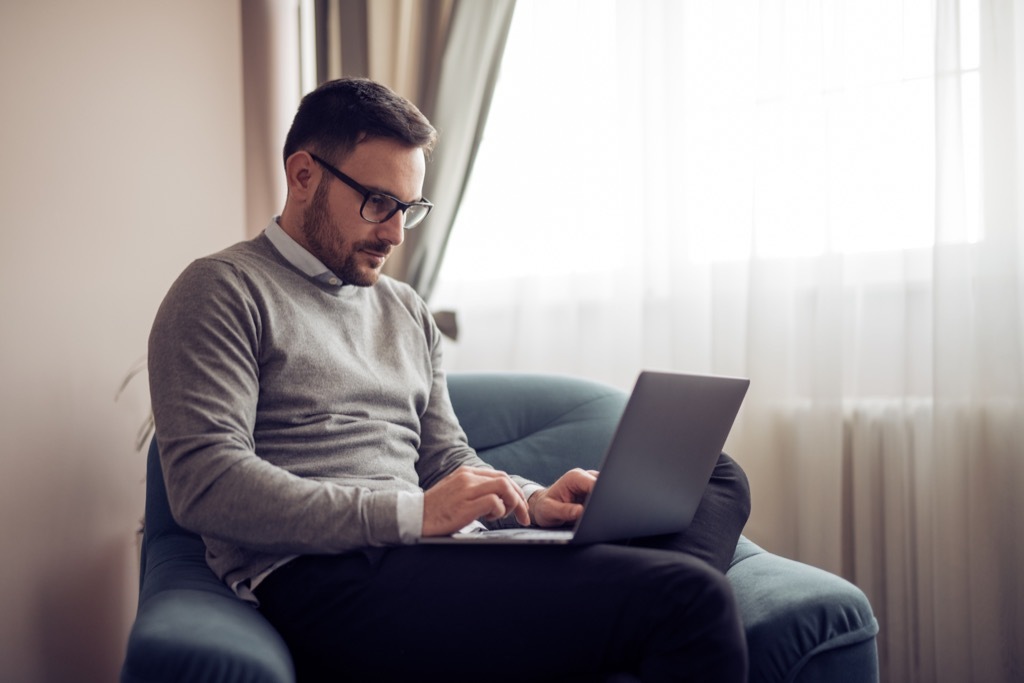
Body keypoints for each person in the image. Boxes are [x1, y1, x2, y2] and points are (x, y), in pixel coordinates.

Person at [148, 77, 752, 682]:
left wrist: (530, 503)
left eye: (408, 209)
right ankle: (646, 606)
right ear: (303, 174)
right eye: (378, 202)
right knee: (690, 597)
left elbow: (444, 459)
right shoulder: (221, 290)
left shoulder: (405, 310)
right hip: (326, 575)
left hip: (433, 554)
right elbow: (207, 483)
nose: (395, 233)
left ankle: (631, 608)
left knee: (718, 478)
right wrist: (411, 516)